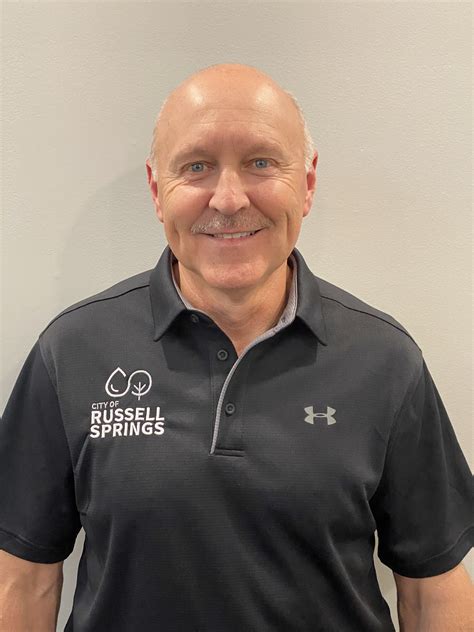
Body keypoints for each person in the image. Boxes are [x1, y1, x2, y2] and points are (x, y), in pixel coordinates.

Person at [0, 62, 472, 632]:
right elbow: (23, 578)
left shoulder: (386, 361)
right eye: (196, 167)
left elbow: (432, 588)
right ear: (157, 189)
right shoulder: (71, 353)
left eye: (261, 163)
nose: (228, 199)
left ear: (308, 183)